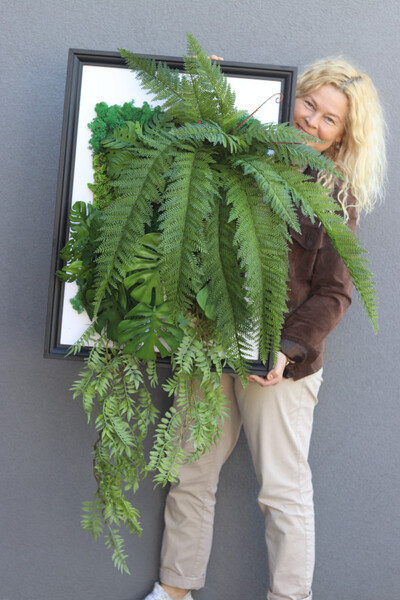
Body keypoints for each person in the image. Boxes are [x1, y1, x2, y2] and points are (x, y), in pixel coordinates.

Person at [142, 57, 386, 600]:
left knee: (282, 490)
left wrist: (288, 348)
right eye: (309, 105)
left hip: (280, 364)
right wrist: (211, 90)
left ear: (344, 135)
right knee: (189, 469)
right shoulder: (237, 154)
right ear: (290, 97)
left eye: (330, 120)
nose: (312, 123)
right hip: (211, 342)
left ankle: (290, 597)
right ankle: (175, 589)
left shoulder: (335, 197)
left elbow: (335, 293)